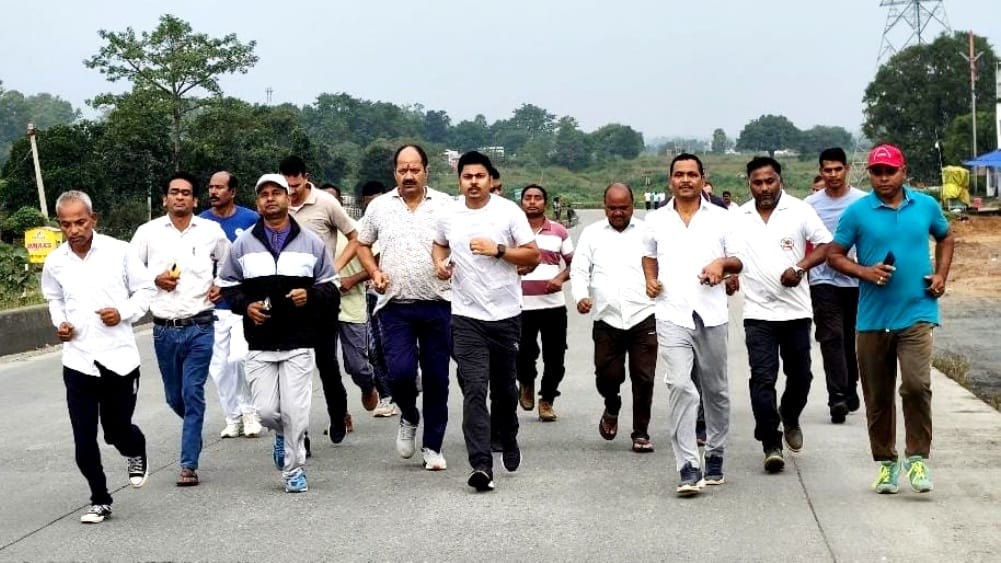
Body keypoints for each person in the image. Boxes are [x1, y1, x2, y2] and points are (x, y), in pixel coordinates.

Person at [828, 144, 954, 495]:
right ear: (869, 173)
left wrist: (942, 275)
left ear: (903, 172)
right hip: (872, 318)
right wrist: (865, 272)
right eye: (877, 172)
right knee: (878, 395)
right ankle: (886, 463)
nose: (883, 178)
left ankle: (917, 458)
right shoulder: (857, 212)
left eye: (890, 171)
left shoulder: (926, 206)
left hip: (917, 310)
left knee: (916, 386)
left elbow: (945, 237)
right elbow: (834, 255)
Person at [217, 174, 339, 493]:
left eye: (276, 193)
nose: (270, 198)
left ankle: (293, 469)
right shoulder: (242, 244)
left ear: (288, 198)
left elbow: (331, 286)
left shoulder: (311, 242)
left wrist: (309, 296)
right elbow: (228, 286)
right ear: (257, 202)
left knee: (295, 411)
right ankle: (282, 436)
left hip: (299, 341)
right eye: (263, 195)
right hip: (259, 342)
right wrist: (246, 306)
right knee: (269, 411)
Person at [42, 190, 156, 524]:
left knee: (116, 431)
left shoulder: (120, 252)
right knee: (83, 437)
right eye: (66, 224)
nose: (74, 230)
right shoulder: (56, 261)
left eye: (80, 222)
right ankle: (100, 498)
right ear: (60, 225)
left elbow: (146, 291)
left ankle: (135, 450)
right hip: (77, 360)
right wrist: (59, 322)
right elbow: (53, 297)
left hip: (118, 358)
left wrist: (122, 312)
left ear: (94, 219)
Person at [433, 150, 540, 492]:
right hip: (466, 316)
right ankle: (481, 465)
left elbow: (532, 254)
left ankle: (508, 435)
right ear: (459, 180)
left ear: (491, 180)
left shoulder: (508, 212)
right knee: (474, 389)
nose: (474, 183)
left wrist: (498, 250)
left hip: (505, 315)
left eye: (480, 177)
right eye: (467, 177)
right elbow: (438, 246)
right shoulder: (449, 213)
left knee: (505, 390)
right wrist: (440, 264)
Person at [642, 153, 743, 496]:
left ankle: (714, 452)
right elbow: (648, 255)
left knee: (715, 390)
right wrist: (650, 279)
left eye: (692, 174)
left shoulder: (722, 217)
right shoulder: (655, 219)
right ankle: (687, 465)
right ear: (670, 180)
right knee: (681, 387)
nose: (685, 180)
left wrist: (720, 265)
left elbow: (738, 260)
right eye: (679, 175)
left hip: (711, 313)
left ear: (703, 178)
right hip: (671, 313)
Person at [356, 145, 453, 471]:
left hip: (439, 303)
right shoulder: (380, 206)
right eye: (402, 170)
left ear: (426, 170)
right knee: (399, 373)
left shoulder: (445, 205)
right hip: (394, 305)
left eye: (414, 169)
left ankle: (433, 446)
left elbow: (461, 245)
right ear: (394, 172)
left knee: (438, 378)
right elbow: (362, 243)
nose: (408, 175)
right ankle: (409, 415)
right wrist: (373, 272)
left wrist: (448, 264)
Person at [131, 171, 230, 487]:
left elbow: (230, 265)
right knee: (175, 397)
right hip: (164, 329)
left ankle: (188, 464)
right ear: (165, 198)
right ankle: (194, 426)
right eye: (174, 192)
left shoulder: (211, 231)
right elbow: (128, 273)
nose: (180, 197)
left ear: (195, 199)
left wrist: (222, 286)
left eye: (186, 192)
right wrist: (154, 279)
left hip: (200, 325)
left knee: (192, 392)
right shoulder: (148, 233)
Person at [736, 157, 832, 473]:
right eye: (757, 182)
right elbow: (731, 255)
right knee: (762, 378)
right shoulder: (740, 216)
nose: (764, 188)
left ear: (780, 179)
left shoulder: (800, 210)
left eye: (770, 181)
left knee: (801, 375)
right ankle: (770, 443)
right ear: (748, 183)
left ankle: (789, 415)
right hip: (758, 314)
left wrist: (800, 267)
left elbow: (826, 246)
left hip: (796, 311)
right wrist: (726, 273)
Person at [279, 156, 369, 446]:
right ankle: (299, 432)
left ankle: (338, 412)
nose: (292, 190)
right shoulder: (278, 203)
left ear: (306, 177)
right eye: (287, 184)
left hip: (322, 293)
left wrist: (335, 265)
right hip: (288, 294)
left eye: (296, 183)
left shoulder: (326, 203)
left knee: (326, 361)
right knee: (293, 365)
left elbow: (356, 237)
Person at [571, 183, 658, 453]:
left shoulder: (648, 232)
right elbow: (579, 269)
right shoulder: (591, 234)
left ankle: (640, 432)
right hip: (607, 319)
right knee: (607, 375)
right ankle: (612, 404)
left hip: (644, 315)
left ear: (634, 205)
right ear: (604, 205)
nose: (618, 212)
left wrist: (658, 284)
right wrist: (580, 296)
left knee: (643, 377)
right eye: (612, 207)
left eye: (624, 207)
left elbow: (662, 264)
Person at [805, 148, 868, 423]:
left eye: (837, 169)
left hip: (855, 279)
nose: (832, 175)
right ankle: (837, 397)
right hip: (822, 279)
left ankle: (849, 383)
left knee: (850, 338)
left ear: (847, 170)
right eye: (827, 170)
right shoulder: (810, 205)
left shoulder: (863, 202)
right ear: (821, 172)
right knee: (830, 336)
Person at [198, 171, 263, 439]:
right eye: (211, 187)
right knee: (220, 367)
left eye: (219, 188)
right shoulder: (200, 223)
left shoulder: (250, 220)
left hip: (241, 303)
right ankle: (232, 417)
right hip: (211, 306)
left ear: (232, 192)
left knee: (239, 357)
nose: (213, 192)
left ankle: (250, 412)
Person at [517, 184, 574, 421]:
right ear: (522, 202)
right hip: (520, 306)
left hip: (552, 306)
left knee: (555, 357)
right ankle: (526, 382)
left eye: (537, 198)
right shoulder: (513, 231)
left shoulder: (559, 231)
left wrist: (560, 278)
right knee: (523, 353)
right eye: (528, 198)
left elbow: (575, 263)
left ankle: (547, 399)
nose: (532, 202)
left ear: (545, 203)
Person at [357, 180, 396, 417]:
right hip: (372, 295)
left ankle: (408, 377)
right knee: (375, 348)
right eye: (372, 202)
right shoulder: (361, 226)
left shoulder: (397, 221)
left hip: (398, 295)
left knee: (397, 347)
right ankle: (387, 396)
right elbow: (360, 251)